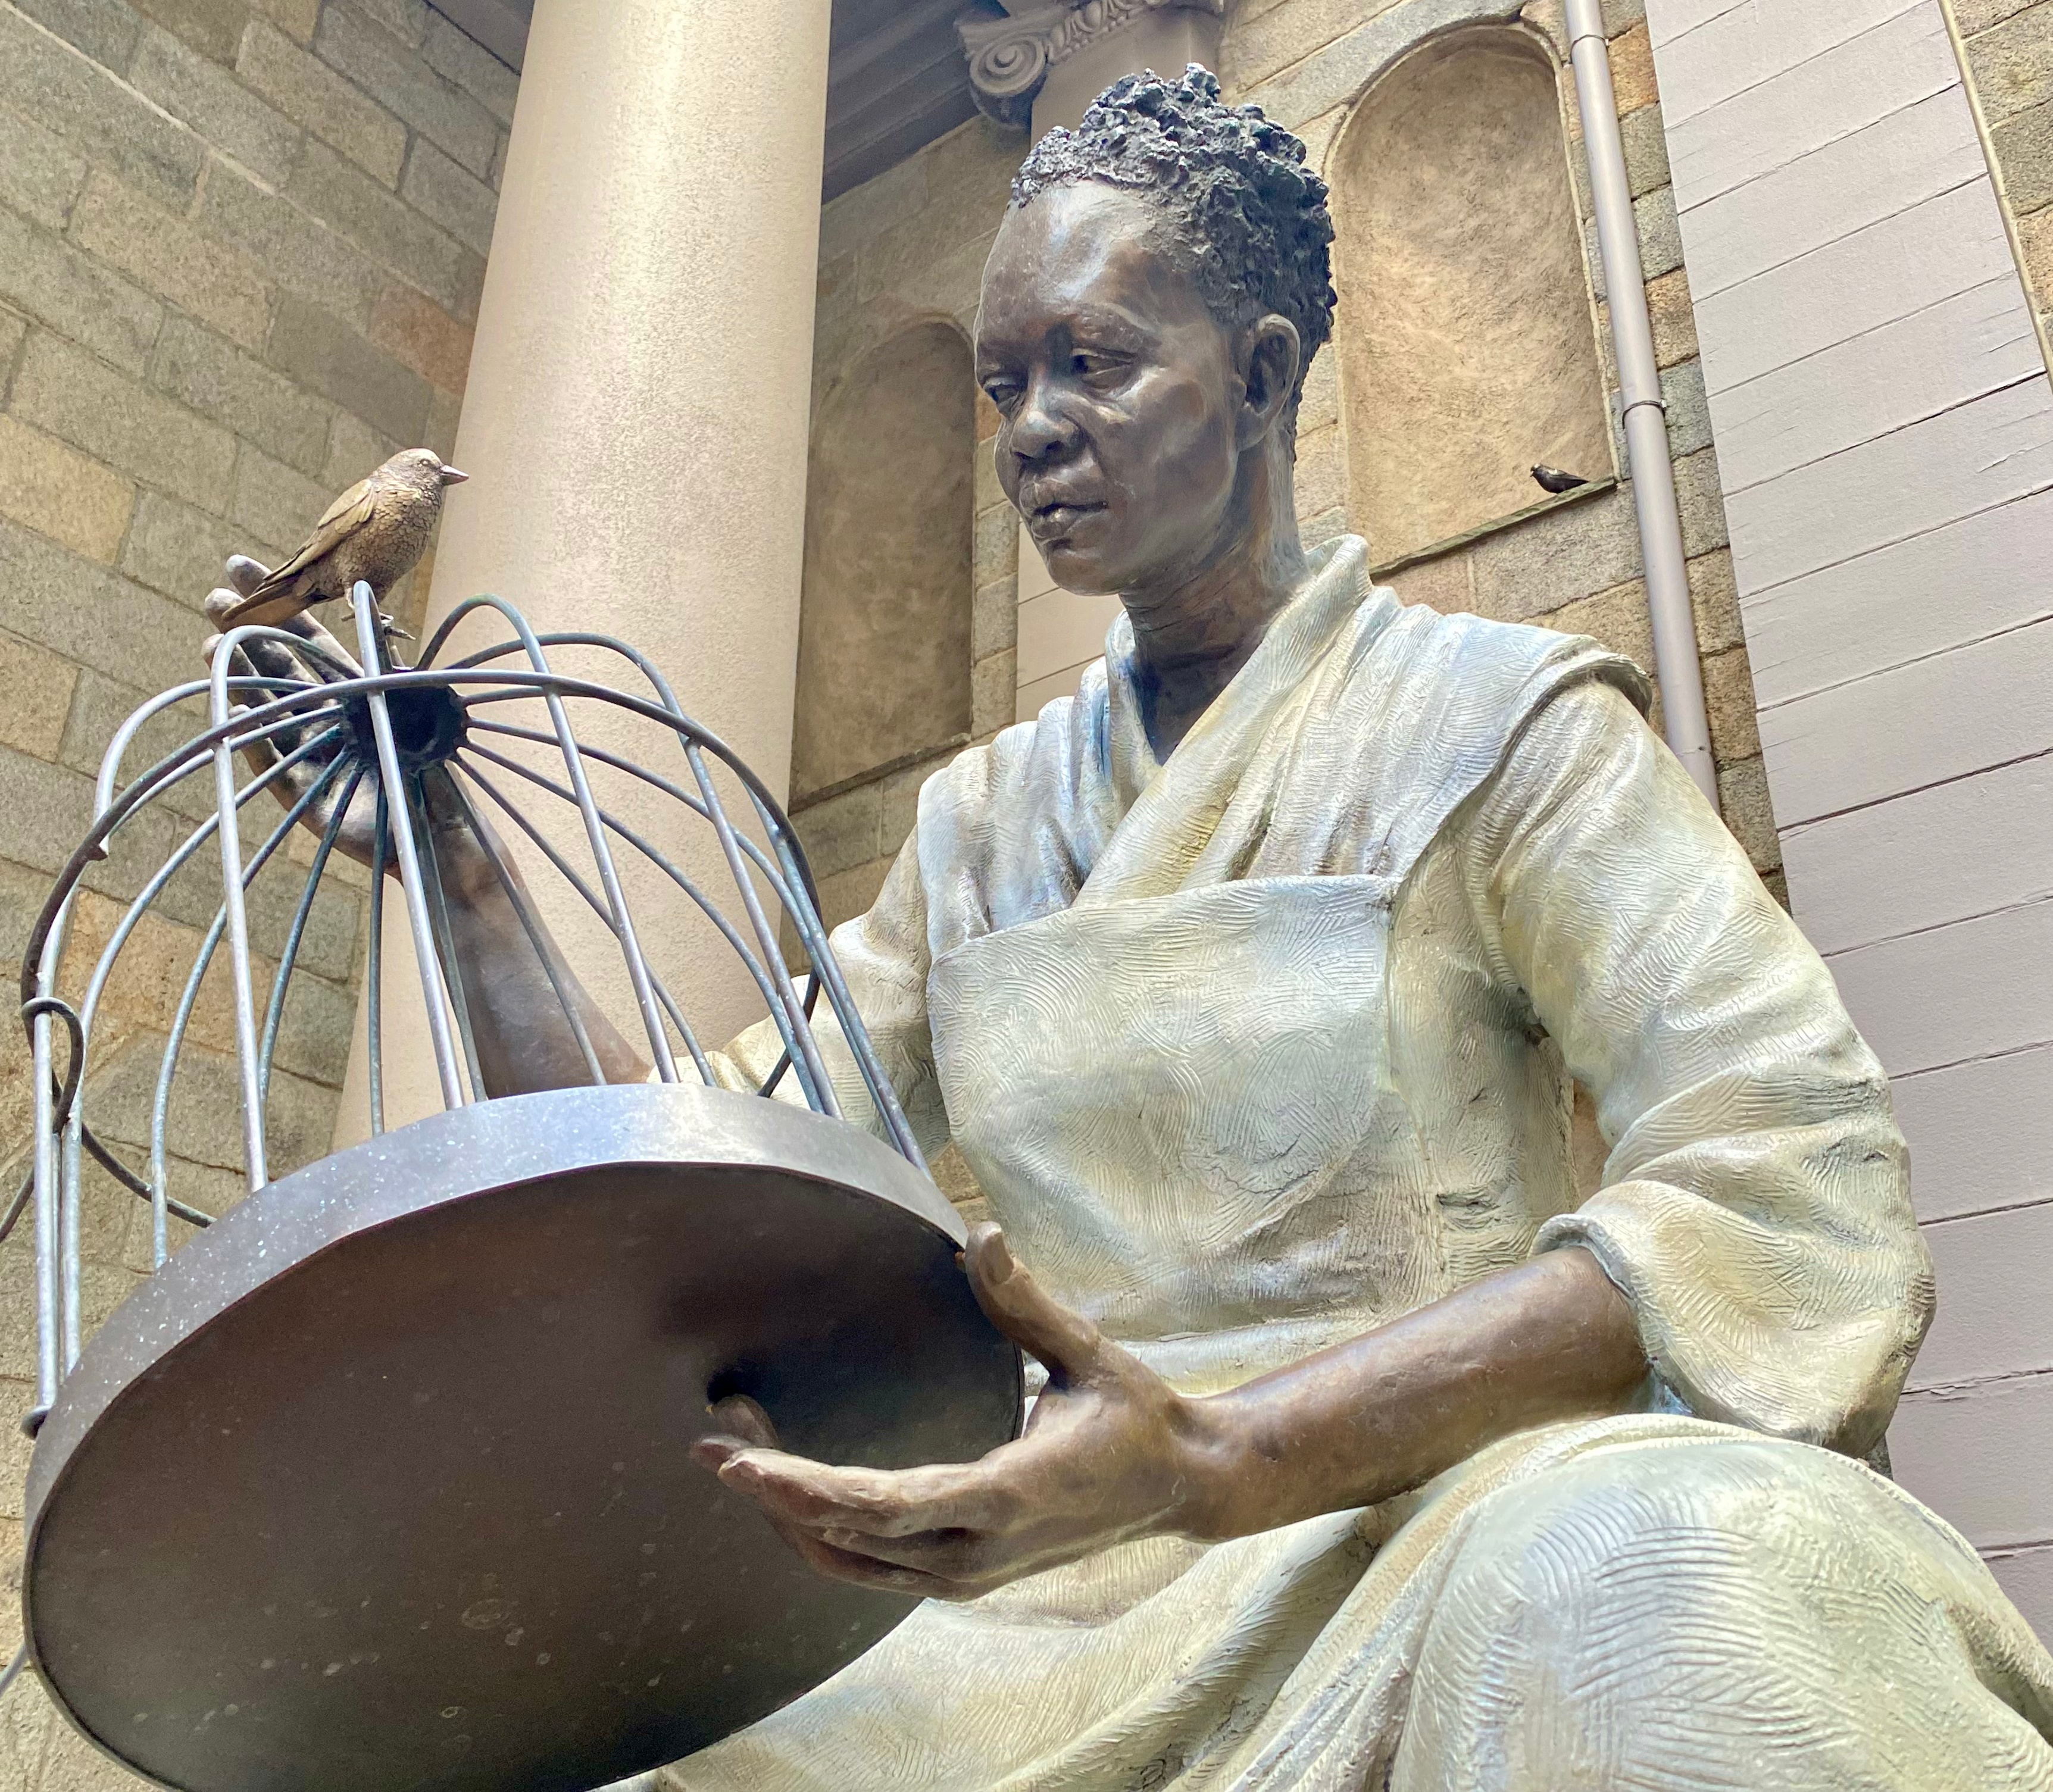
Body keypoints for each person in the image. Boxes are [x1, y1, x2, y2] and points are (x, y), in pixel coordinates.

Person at [217, 65, 2053, 1792]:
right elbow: (697, 1174)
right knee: (595, 1712)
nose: (1031, 432)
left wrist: (1221, 1452)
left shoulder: (1491, 724)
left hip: (1420, 1523)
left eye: (1089, 363)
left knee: (1673, 1563)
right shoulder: (980, 828)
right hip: (1049, 1597)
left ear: (1258, 375)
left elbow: (1775, 1171)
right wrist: (459, 864)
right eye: (1003, 381)